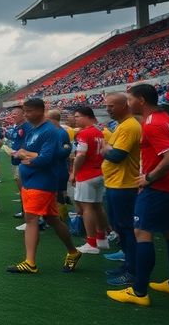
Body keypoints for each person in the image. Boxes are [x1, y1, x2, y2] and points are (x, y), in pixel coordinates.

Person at [108, 83, 169, 306]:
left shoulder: (152, 123)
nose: (128, 104)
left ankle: (139, 292)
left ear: (141, 100)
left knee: (142, 232)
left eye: (129, 99)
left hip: (158, 188)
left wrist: (150, 177)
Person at [7, 98, 81, 274]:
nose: (26, 114)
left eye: (29, 111)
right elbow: (27, 152)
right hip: (33, 181)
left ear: (42, 110)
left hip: (41, 182)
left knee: (31, 219)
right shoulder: (34, 130)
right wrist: (26, 155)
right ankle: (73, 252)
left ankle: (30, 262)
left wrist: (27, 158)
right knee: (52, 219)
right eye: (25, 111)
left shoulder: (50, 131)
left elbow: (45, 159)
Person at [100, 93, 142, 287]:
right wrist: (107, 149)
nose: (108, 109)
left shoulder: (130, 126)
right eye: (107, 106)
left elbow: (116, 155)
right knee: (120, 228)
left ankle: (133, 271)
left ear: (124, 105)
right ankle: (127, 264)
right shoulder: (121, 126)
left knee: (127, 229)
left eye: (112, 106)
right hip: (115, 183)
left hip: (125, 185)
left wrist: (105, 149)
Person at [71, 106, 110, 254]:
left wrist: (74, 173)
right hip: (99, 172)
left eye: (77, 116)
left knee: (87, 208)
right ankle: (102, 238)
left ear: (87, 117)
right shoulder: (98, 132)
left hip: (86, 174)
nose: (75, 119)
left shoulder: (84, 133)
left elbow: (81, 155)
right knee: (97, 206)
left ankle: (91, 243)